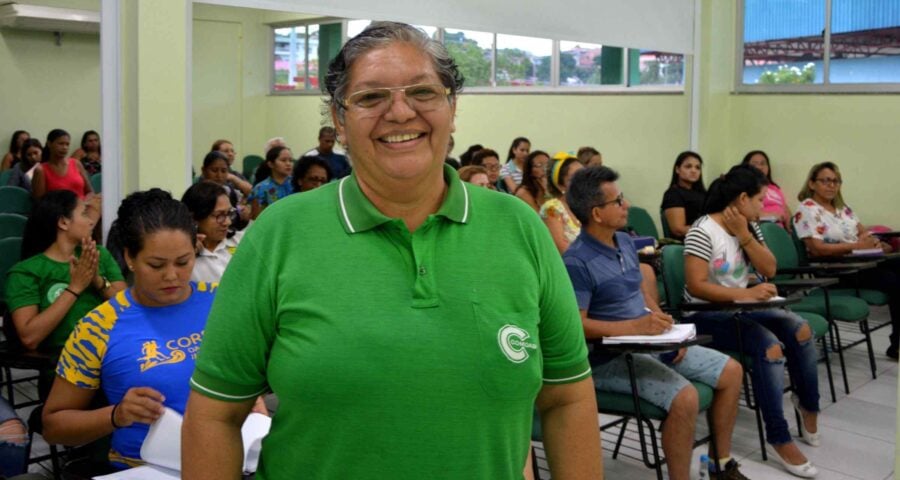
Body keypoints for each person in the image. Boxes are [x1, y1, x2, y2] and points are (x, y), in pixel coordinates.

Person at [183, 22, 602, 480]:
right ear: (339, 121)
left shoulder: (519, 228)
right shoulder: (279, 235)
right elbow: (215, 413)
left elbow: (567, 398)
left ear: (452, 107)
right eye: (370, 97)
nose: (400, 112)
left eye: (422, 92)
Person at [564, 166, 747, 480]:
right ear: (596, 212)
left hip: (647, 342)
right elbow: (578, 326)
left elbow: (637, 290)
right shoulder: (576, 261)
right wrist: (637, 329)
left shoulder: (622, 241)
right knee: (685, 397)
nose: (627, 204)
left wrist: (661, 322)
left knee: (732, 371)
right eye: (618, 201)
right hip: (609, 358)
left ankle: (720, 464)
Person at [41, 189, 246, 469]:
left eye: (184, 262)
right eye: (156, 265)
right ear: (130, 258)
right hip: (146, 469)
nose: (172, 275)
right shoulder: (99, 326)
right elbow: (54, 425)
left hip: (231, 459)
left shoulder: (221, 302)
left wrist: (253, 399)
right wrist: (117, 414)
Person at [685, 165, 821, 478]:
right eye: (759, 200)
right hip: (706, 314)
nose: (763, 206)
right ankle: (779, 436)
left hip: (741, 308)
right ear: (743, 198)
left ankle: (809, 405)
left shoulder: (749, 226)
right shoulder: (702, 229)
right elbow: (696, 286)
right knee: (770, 347)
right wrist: (746, 295)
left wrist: (745, 235)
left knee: (800, 328)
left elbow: (770, 268)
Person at [5, 191, 125, 396]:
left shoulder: (99, 256)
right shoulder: (26, 272)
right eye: (84, 214)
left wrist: (96, 280)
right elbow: (30, 337)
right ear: (63, 222)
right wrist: (74, 288)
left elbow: (127, 305)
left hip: (115, 356)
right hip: (67, 368)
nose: (91, 221)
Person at [793, 161, 900, 359]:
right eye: (825, 181)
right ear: (812, 184)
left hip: (862, 262)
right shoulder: (807, 209)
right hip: (836, 269)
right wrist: (857, 247)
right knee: (894, 281)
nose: (831, 185)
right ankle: (897, 344)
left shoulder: (843, 208)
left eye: (836, 181)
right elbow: (817, 249)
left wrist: (877, 244)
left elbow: (864, 233)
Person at [182, 182, 243, 284]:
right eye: (219, 215)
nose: (228, 222)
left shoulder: (241, 241)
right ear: (194, 218)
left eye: (229, 213)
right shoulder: (184, 254)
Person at [31, 129, 95, 202]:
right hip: (59, 211)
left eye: (67, 144)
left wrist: (85, 203)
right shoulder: (41, 170)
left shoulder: (76, 163)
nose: (65, 147)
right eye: (61, 144)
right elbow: (40, 201)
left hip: (83, 208)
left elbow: (90, 192)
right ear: (49, 144)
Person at [540, 155, 583, 254]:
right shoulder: (551, 209)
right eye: (576, 178)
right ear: (560, 186)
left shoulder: (587, 204)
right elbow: (563, 250)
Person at [742, 150, 792, 232]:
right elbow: (745, 212)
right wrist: (772, 216)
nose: (759, 167)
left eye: (763, 163)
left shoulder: (774, 188)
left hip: (780, 231)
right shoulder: (744, 186)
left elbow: (785, 208)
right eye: (755, 164)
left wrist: (790, 225)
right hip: (761, 230)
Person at [662, 150, 707, 240]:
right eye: (688, 167)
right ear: (677, 169)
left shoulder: (704, 194)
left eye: (698, 168)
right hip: (689, 243)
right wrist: (709, 233)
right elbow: (678, 229)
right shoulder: (673, 194)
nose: (694, 171)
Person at [199, 151, 250, 229]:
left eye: (223, 171)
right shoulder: (198, 194)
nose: (219, 175)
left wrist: (242, 214)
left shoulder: (229, 191)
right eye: (214, 170)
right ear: (204, 170)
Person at [247, 145, 293, 219]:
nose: (288, 164)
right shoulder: (260, 188)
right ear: (271, 164)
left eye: (290, 160)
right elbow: (256, 218)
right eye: (283, 160)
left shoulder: (298, 184)